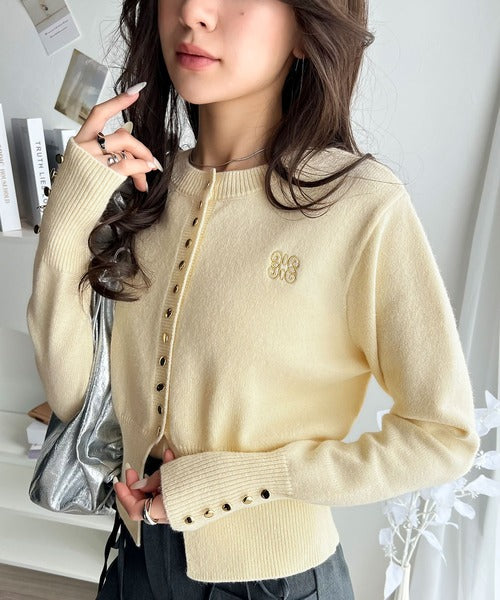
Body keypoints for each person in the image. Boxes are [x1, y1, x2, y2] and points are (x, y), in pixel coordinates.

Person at [26, 0, 480, 598]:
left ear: (305, 30)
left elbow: (443, 437)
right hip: (135, 563)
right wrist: (67, 217)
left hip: (272, 584)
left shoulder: (362, 206)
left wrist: (243, 481)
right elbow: (73, 398)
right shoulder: (143, 190)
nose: (194, 11)